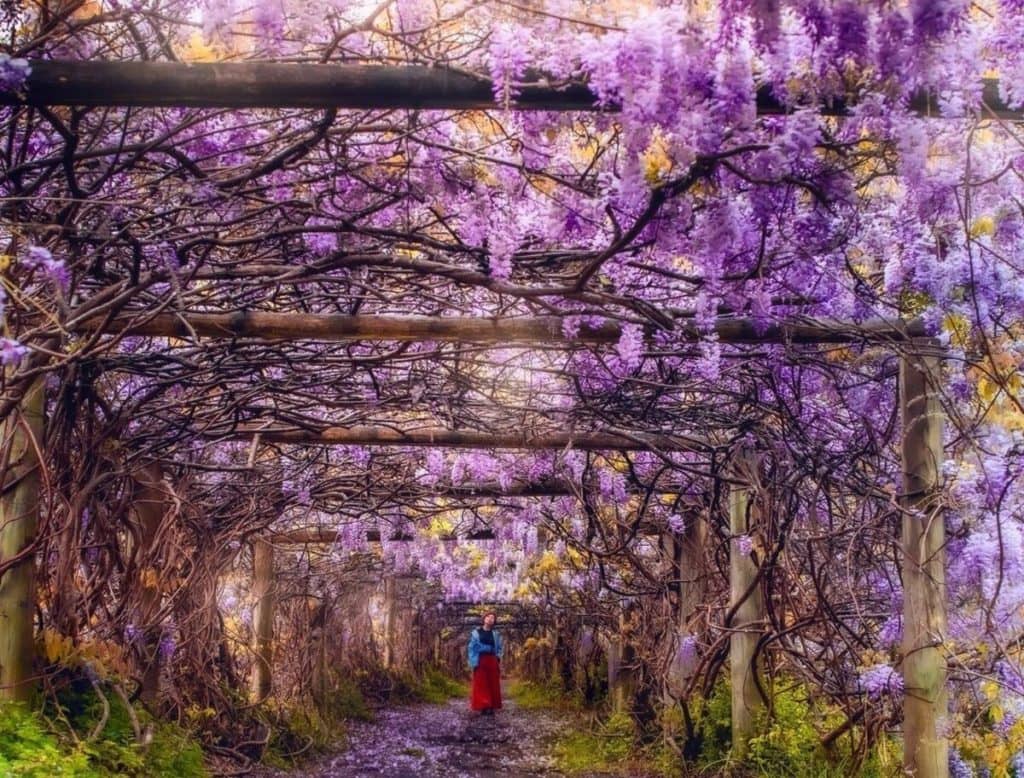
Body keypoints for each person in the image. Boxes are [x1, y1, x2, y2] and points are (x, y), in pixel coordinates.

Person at [468, 611, 503, 715]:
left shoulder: (496, 634)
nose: (490, 619)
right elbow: (472, 648)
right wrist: (474, 662)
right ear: (484, 619)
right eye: (488, 617)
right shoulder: (476, 633)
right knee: (481, 684)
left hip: (492, 660)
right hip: (480, 660)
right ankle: (484, 705)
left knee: (493, 683)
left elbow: (500, 648)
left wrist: (497, 657)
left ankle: (491, 706)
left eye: (492, 618)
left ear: (494, 621)